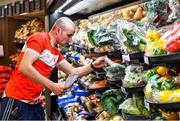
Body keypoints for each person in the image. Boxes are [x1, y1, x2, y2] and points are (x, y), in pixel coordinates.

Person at [0, 17, 107, 120]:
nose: (70, 40)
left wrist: (93, 65)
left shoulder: (55, 52)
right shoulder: (39, 38)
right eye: (69, 35)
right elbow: (24, 67)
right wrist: (52, 86)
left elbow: (74, 72)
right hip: (16, 100)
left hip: (34, 102)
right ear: (58, 30)